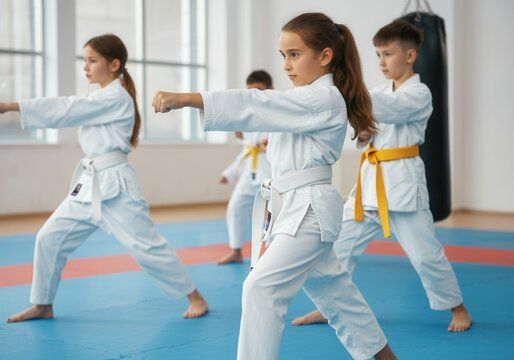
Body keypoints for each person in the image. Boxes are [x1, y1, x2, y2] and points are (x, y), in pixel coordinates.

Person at [152, 12, 396, 360]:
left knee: (260, 289)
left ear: (325, 56)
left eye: (294, 54)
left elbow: (259, 103)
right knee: (337, 295)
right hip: (293, 208)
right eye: (283, 55)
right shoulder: (310, 97)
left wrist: (191, 98)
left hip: (308, 211)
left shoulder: (322, 98)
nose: (286, 65)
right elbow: (272, 113)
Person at [0, 34, 208, 323]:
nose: (85, 66)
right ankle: (43, 303)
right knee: (49, 237)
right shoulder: (102, 96)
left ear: (114, 64)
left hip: (116, 187)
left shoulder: (114, 97)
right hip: (88, 184)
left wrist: (11, 105)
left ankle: (195, 297)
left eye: (92, 60)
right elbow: (71, 107)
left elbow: (66, 108)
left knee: (146, 246)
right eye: (84, 60)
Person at [291, 20, 472, 332]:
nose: (382, 62)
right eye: (377, 54)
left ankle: (458, 308)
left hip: (402, 187)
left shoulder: (419, 93)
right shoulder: (375, 91)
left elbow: (386, 108)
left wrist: (343, 87)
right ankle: (327, 307)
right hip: (368, 187)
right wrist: (359, 128)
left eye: (388, 54)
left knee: (425, 256)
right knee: (336, 246)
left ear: (411, 55)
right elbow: (363, 129)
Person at [218, 70, 272, 265]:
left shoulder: (277, 114)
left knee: (273, 216)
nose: (253, 95)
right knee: (235, 208)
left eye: (258, 90)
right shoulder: (247, 117)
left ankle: (273, 254)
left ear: (270, 90)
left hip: (271, 173)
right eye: (250, 91)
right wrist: (230, 173)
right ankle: (236, 250)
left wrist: (271, 144)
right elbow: (247, 152)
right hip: (250, 173)